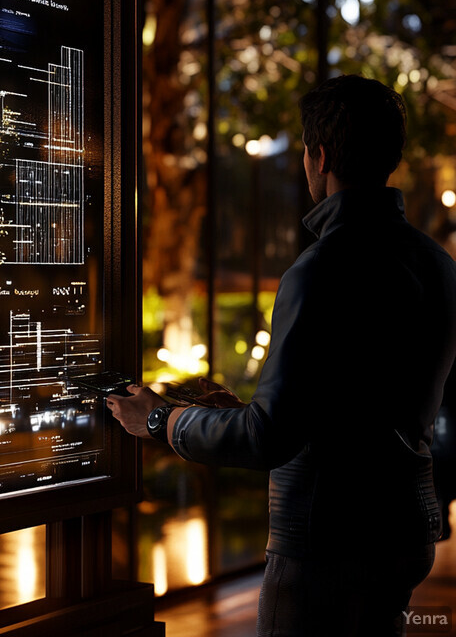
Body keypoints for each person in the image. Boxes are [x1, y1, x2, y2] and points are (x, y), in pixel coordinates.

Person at [108, 75, 456, 637]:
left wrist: (158, 418)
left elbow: (270, 438)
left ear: (318, 156)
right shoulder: (438, 266)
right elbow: (369, 404)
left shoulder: (321, 269)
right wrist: (240, 412)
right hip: (405, 530)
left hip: (326, 543)